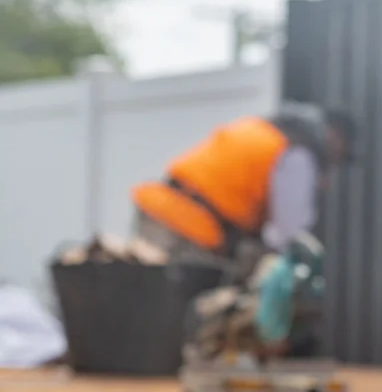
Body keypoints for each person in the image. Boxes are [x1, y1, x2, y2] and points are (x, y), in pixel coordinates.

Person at [131, 102, 356, 279]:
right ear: (335, 138)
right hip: (189, 229)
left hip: (159, 210)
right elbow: (288, 234)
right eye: (341, 158)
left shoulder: (266, 129)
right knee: (180, 317)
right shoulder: (299, 155)